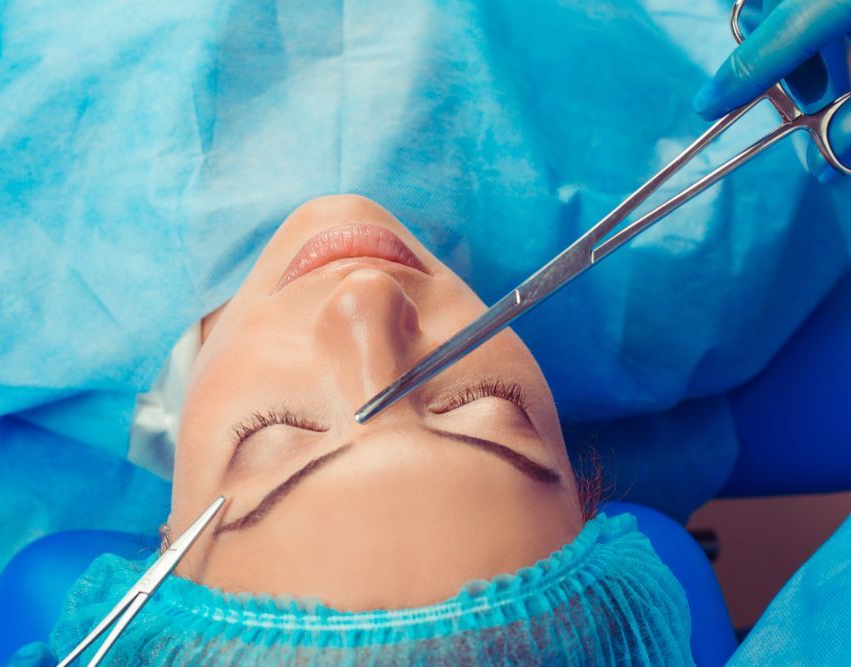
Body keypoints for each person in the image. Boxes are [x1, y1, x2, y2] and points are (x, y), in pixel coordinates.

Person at [44, 195, 695, 665]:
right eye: (488, 409)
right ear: (585, 489)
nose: (366, 297)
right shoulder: (675, 269)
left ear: (164, 546)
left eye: (273, 433)